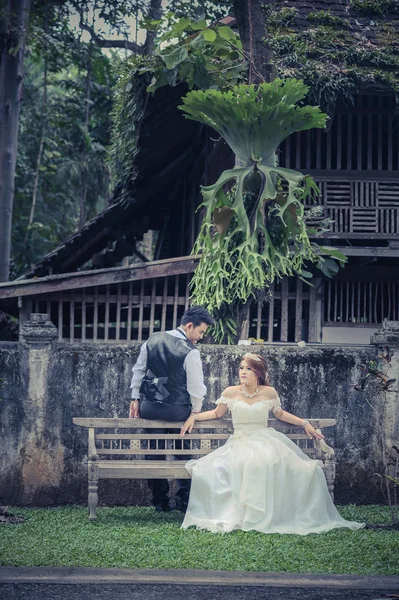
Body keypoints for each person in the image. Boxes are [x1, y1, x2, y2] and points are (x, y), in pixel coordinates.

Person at [180, 353, 365, 534]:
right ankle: (242, 513)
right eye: (241, 368)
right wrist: (194, 417)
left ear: (259, 373)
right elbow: (215, 413)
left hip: (264, 440)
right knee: (223, 467)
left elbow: (281, 414)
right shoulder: (230, 392)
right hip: (239, 442)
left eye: (249, 369)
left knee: (280, 465)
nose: (243, 372)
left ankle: (270, 513)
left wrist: (304, 423)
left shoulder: (269, 392)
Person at [129, 306, 214, 512]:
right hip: (177, 411)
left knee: (154, 453)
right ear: (189, 325)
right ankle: (184, 500)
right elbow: (196, 387)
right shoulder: (190, 352)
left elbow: (139, 370)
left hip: (149, 408)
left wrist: (135, 398)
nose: (200, 337)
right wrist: (195, 413)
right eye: (201, 332)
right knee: (182, 452)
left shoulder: (152, 340)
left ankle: (160, 501)